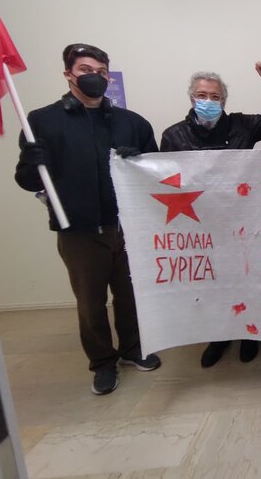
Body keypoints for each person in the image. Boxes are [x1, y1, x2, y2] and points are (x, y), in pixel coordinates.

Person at [14, 43, 161, 396]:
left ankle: (132, 349)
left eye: (100, 71)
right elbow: (28, 181)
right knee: (90, 302)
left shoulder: (132, 122)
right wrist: (31, 161)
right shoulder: (42, 121)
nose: (94, 76)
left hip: (127, 227)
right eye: (84, 69)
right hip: (79, 231)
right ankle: (102, 362)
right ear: (68, 74)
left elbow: (157, 171)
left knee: (130, 295)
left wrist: (140, 161)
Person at [160, 64, 261, 367]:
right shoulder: (173, 135)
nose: (208, 101)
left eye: (215, 96)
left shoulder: (241, 126)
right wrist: (135, 162)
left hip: (242, 220)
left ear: (224, 101)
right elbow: (164, 179)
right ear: (192, 98)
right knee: (212, 283)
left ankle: (249, 334)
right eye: (202, 95)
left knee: (247, 276)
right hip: (201, 224)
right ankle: (218, 336)